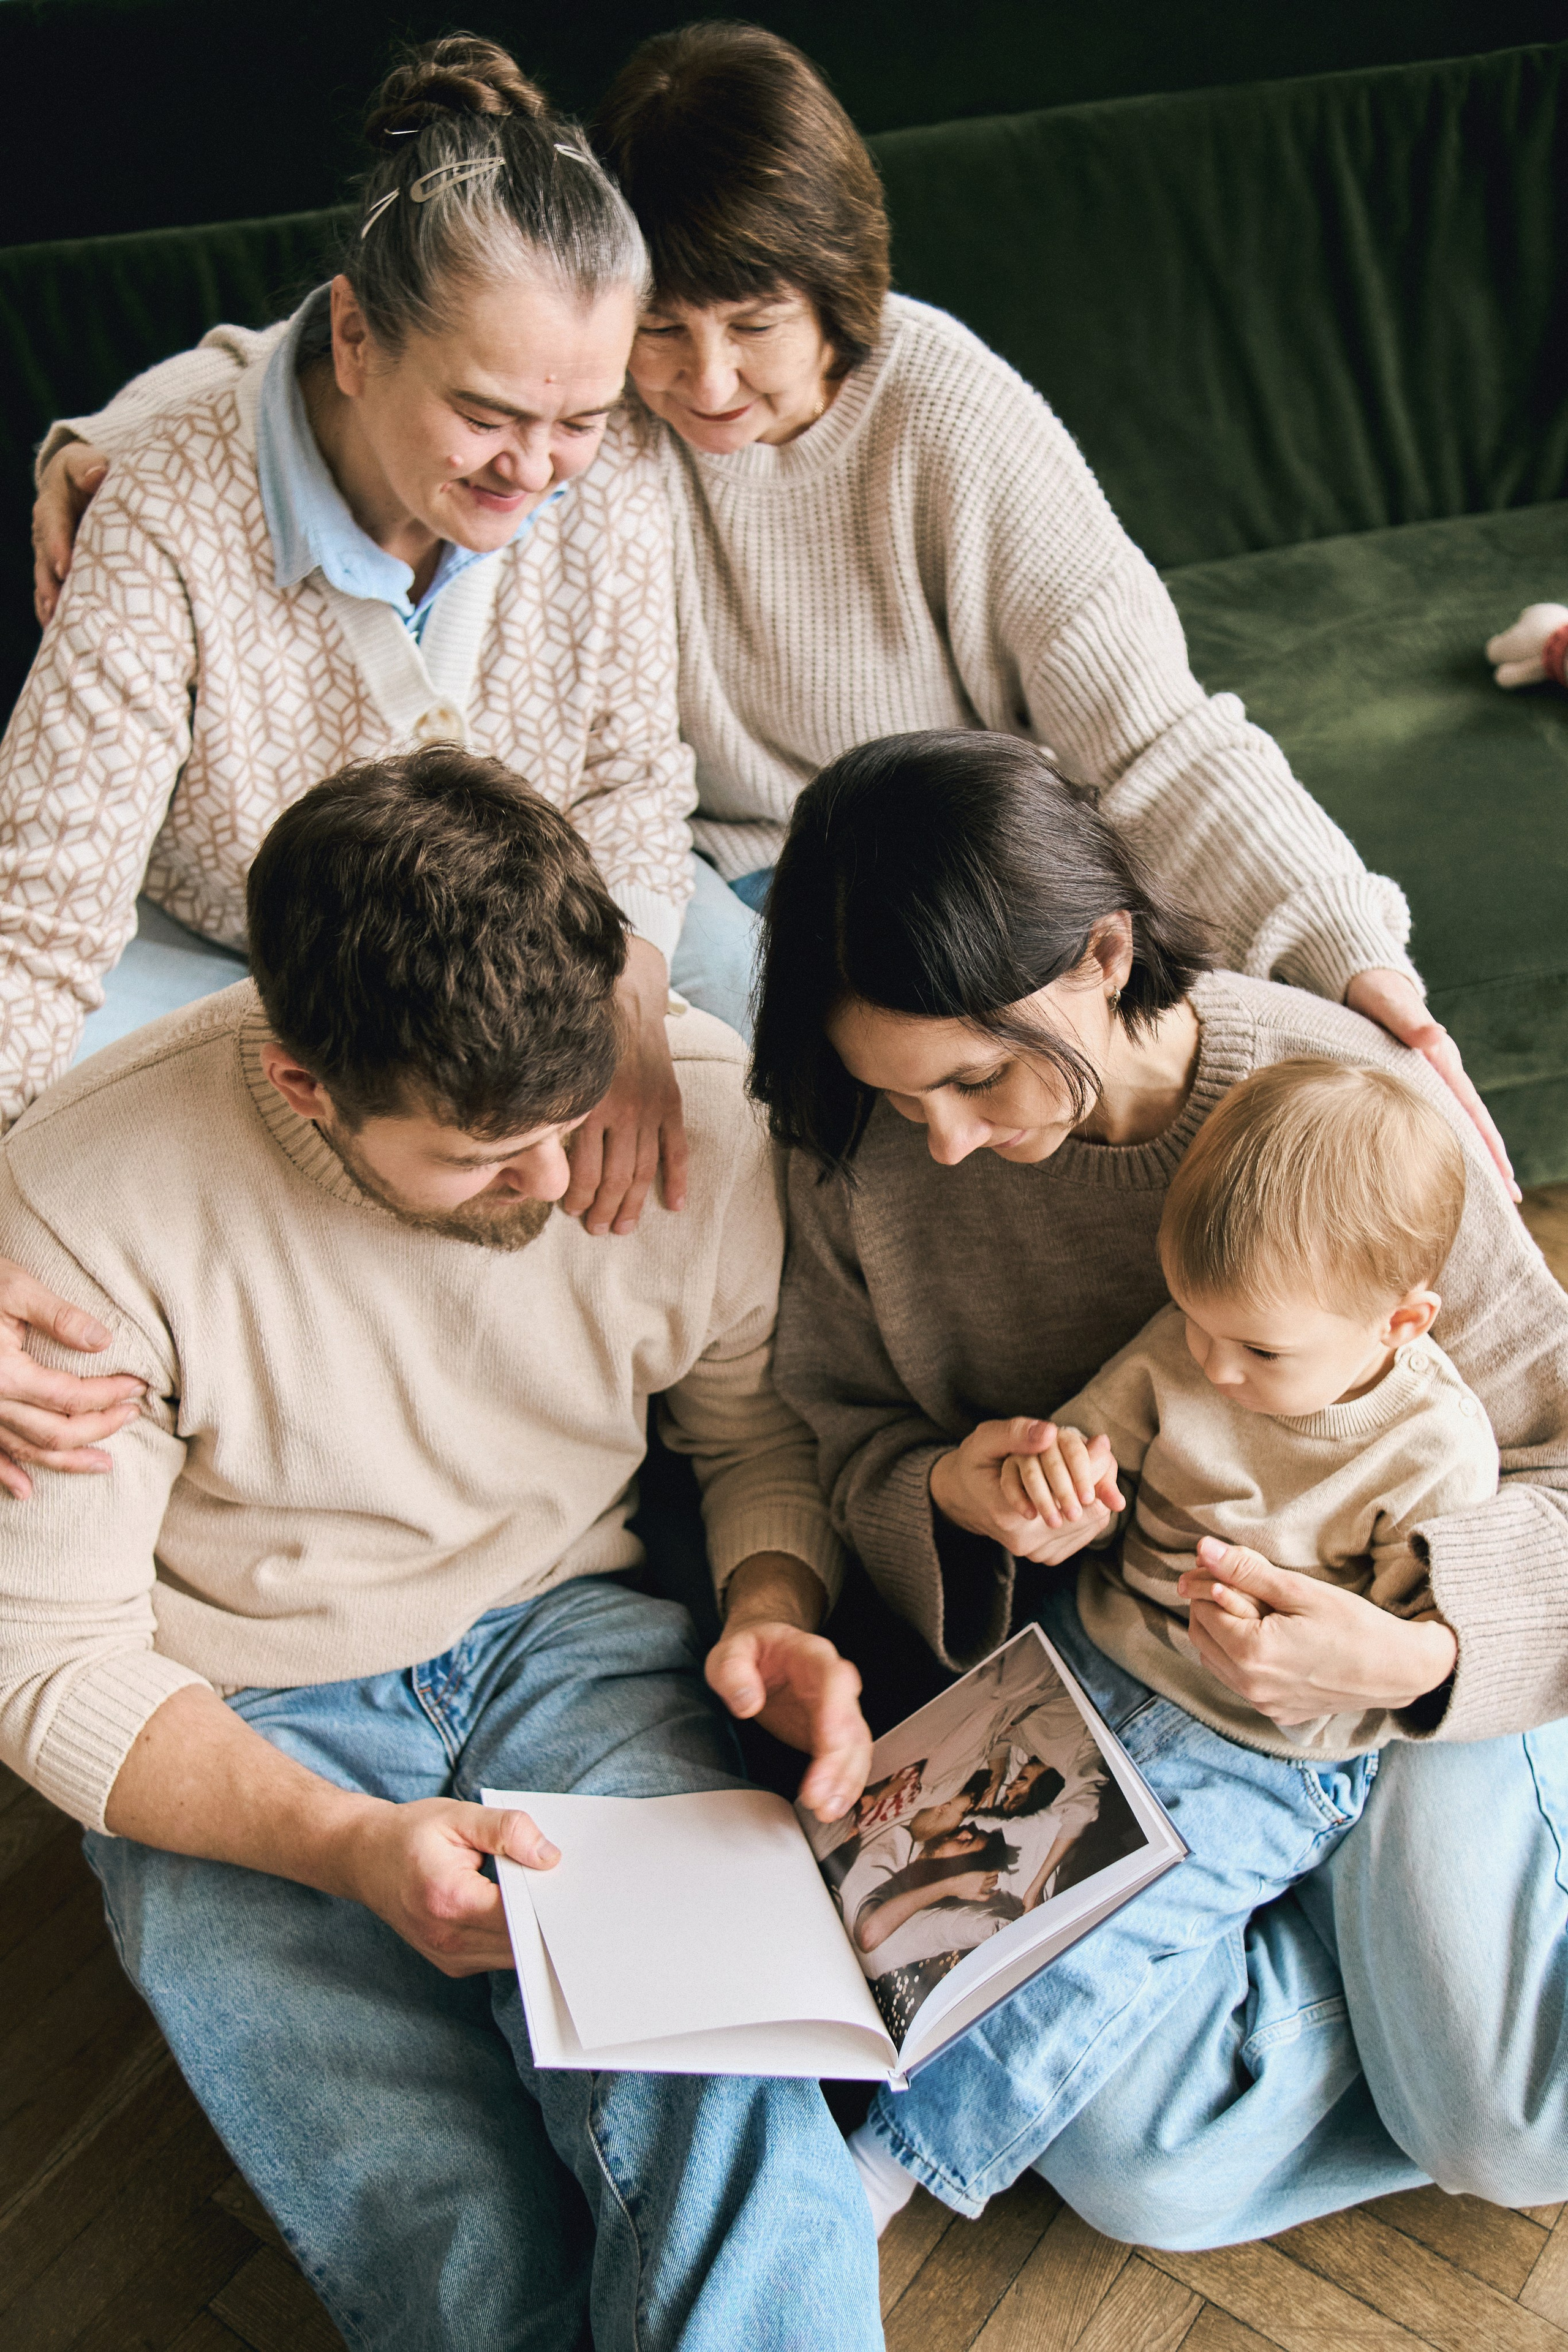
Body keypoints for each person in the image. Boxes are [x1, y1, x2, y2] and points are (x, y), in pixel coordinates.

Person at [0, 745, 882, 2350]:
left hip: (568, 1632)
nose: (556, 1184)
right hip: (237, 1708)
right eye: (483, 1157)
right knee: (443, 2230)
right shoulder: (84, 1206)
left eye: (569, 1119)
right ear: (305, 1089)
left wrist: (770, 1597)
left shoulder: (679, 1110)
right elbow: (52, 1658)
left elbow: (753, 1437)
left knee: (728, 2117)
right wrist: (342, 1845)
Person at [710, 727, 1568, 2244]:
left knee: (1502, 2121)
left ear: (1103, 955)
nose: (945, 1144)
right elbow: (843, 1438)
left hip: (1406, 1660)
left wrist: (1414, 1657)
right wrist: (955, 1497)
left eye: (978, 1076)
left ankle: (1432, 1991)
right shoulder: (857, 1154)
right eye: (899, 1098)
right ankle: (1377, 1964)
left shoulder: (1339, 1110)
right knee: (1138, 2172)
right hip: (1134, 1681)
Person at [10, 37, 704, 1251]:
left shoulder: (623, 472)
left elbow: (634, 776)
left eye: (578, 421)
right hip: (229, 963)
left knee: (738, 1097)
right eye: (483, 414)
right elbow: (40, 925)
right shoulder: (161, 509)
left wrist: (626, 995)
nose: (534, 472)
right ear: (352, 336)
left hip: (533, 962)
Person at [1007, 1056, 1495, 1757]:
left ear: (1399, 1323)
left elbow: (1397, 1649)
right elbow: (1089, 1474)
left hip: (1260, 1740)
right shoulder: (1182, 1347)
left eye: (1262, 1352)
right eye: (1191, 1318)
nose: (1214, 1366)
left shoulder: (1435, 1449)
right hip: (1089, 1646)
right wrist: (1067, 1491)